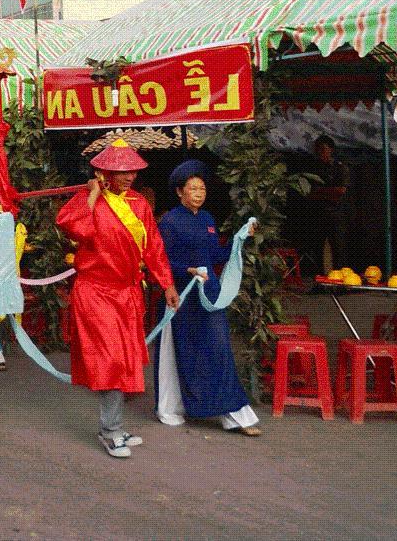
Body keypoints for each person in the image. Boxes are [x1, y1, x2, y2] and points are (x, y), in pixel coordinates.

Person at [56, 138, 179, 459]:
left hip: (127, 293)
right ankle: (110, 430)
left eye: (132, 170)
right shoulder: (88, 199)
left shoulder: (139, 204)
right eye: (120, 171)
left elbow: (153, 246)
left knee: (124, 360)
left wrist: (166, 283)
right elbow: (72, 228)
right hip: (96, 292)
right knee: (110, 360)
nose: (128, 176)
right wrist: (93, 195)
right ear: (102, 172)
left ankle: (114, 425)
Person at [155, 160, 262, 436]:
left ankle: (236, 415)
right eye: (193, 188)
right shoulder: (169, 222)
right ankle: (173, 407)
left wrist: (239, 240)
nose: (199, 193)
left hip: (209, 296)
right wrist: (185, 271)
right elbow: (161, 261)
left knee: (219, 349)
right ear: (180, 192)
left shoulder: (208, 220)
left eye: (202, 188)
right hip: (182, 296)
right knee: (182, 352)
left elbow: (215, 256)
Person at [306, 135, 350, 274]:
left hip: (335, 214)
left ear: (330, 150)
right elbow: (309, 192)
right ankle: (319, 281)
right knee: (316, 249)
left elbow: (340, 191)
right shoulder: (313, 168)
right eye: (318, 149)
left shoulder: (339, 168)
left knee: (338, 249)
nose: (320, 152)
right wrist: (327, 192)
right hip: (317, 213)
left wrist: (322, 192)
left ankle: (340, 282)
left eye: (323, 149)